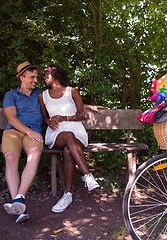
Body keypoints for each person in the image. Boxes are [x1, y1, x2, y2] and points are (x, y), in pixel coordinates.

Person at [38, 65, 101, 213]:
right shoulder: (43, 96)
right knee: (67, 136)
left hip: (77, 131)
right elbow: (44, 117)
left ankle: (67, 195)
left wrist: (64, 117)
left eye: (47, 74)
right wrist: (49, 122)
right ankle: (87, 175)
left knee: (68, 151)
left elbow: (82, 115)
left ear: (56, 74)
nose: (45, 76)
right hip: (56, 134)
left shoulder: (72, 91)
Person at [2, 61, 43, 223]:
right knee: (11, 158)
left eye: (36, 77)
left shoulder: (40, 94)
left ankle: (18, 199)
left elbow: (62, 103)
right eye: (32, 77)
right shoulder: (11, 95)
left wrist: (86, 106)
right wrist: (29, 131)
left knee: (35, 154)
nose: (35, 80)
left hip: (32, 135)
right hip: (14, 132)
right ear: (22, 77)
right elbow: (11, 117)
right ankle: (18, 207)